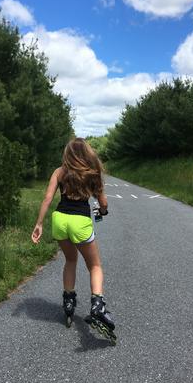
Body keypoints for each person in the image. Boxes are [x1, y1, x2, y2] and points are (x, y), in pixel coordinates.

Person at [31, 138, 116, 344]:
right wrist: (102, 210)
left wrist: (39, 223)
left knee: (70, 261)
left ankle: (68, 304)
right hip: (80, 222)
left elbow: (47, 198)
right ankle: (98, 306)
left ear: (67, 153)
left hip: (60, 220)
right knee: (95, 266)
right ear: (87, 153)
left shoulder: (59, 172)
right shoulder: (91, 173)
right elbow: (102, 203)